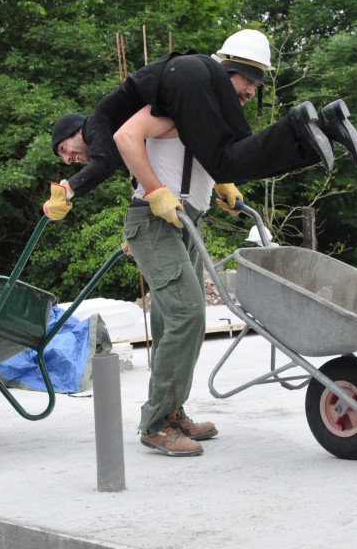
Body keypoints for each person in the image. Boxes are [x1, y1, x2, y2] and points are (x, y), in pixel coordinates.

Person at [43, 30, 357, 221]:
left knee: (227, 165)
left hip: (181, 75)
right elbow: (205, 142)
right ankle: (326, 125)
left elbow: (105, 163)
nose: (69, 159)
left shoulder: (98, 121)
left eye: (65, 150)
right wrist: (220, 183)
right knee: (236, 156)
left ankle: (297, 126)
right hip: (199, 70)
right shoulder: (208, 79)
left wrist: (69, 189)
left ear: (76, 131)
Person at [116, 105, 223, 456]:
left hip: (186, 219)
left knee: (168, 321)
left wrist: (222, 183)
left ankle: (173, 412)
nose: (250, 91)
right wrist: (153, 189)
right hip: (156, 217)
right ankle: (157, 424)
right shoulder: (173, 108)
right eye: (246, 79)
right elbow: (124, 136)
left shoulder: (209, 116)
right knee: (187, 314)